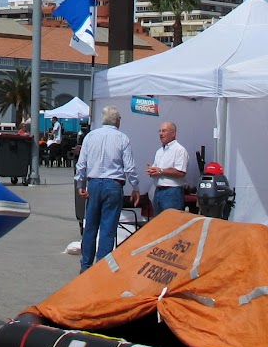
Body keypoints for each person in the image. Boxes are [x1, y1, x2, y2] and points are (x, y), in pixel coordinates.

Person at [74, 106, 139, 272]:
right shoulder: (122, 138)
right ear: (117, 120)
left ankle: (85, 265)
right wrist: (135, 186)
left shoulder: (90, 136)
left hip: (94, 183)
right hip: (113, 184)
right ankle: (101, 268)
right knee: (108, 228)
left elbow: (81, 164)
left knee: (90, 227)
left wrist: (80, 184)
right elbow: (129, 167)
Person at [146, 121, 189, 212]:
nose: (161, 134)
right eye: (160, 131)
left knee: (171, 224)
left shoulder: (180, 150)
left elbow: (181, 172)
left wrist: (160, 171)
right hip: (158, 191)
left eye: (164, 131)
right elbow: (157, 170)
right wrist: (152, 171)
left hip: (172, 192)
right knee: (160, 224)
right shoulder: (159, 151)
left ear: (173, 133)